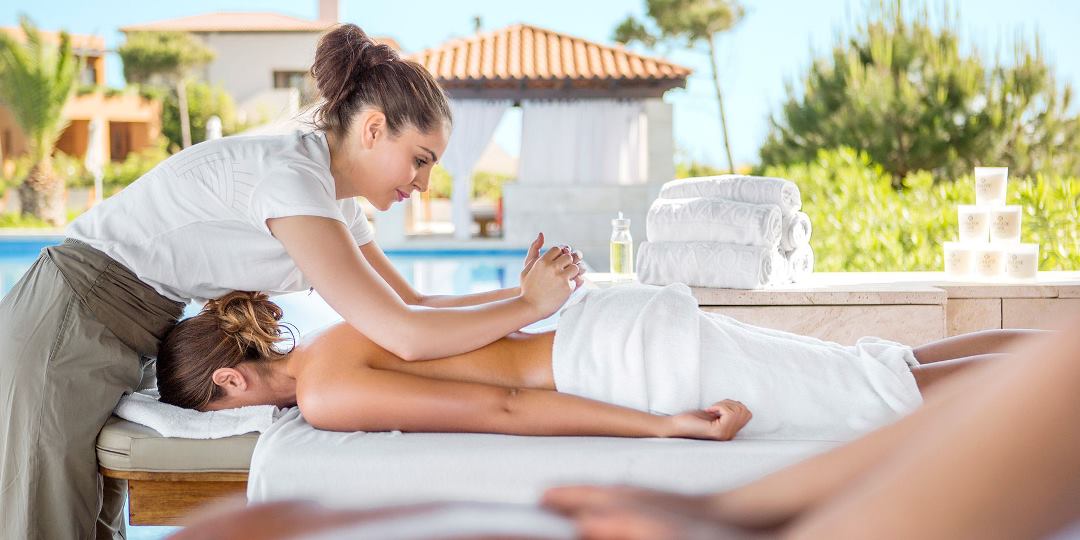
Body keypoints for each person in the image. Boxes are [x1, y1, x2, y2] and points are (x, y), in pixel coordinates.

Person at [0, 23, 585, 540]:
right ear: (374, 129)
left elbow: (413, 302)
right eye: (420, 159)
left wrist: (526, 293)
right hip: (71, 318)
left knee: (90, 521)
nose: (424, 183)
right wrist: (528, 307)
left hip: (115, 327)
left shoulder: (332, 197)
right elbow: (404, 334)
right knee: (47, 524)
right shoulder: (291, 181)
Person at [155, 284, 1036, 443]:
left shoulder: (324, 394)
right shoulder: (342, 333)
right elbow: (463, 317)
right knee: (884, 366)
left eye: (220, 412)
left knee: (884, 396)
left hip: (627, 365)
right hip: (612, 325)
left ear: (229, 382)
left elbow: (505, 409)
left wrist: (663, 425)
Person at [541, 310, 1080, 539]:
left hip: (653, 335)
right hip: (646, 340)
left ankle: (750, 513)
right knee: (885, 375)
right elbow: (508, 404)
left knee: (881, 378)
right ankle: (744, 510)